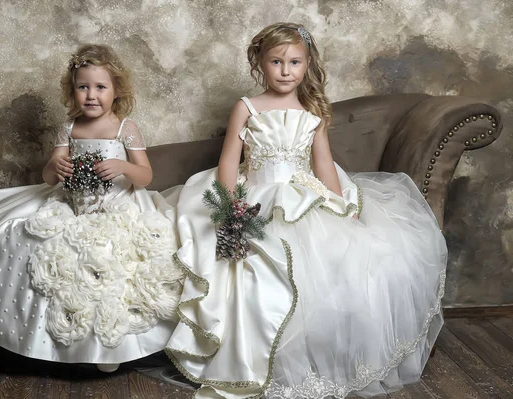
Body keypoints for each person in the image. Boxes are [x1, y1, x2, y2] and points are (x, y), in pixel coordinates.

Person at [165, 23, 447, 398]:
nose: (286, 71)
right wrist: (231, 209)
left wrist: (343, 203)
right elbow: (229, 163)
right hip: (258, 195)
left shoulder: (312, 110)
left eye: (294, 62)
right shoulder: (246, 107)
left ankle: (322, 356)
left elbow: (324, 163)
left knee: (346, 259)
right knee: (254, 269)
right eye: (277, 62)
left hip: (303, 195)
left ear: (307, 63)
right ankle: (254, 357)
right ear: (259, 64)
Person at [0, 44, 184, 373]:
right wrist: (57, 167)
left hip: (117, 203)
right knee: (18, 238)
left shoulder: (125, 128)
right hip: (71, 201)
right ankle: (4, 334)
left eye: (101, 87)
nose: (91, 95)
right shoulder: (69, 128)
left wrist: (121, 165)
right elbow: (49, 175)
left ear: (116, 90)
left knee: (110, 256)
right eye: (83, 87)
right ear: (72, 90)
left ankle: (111, 343)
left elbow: (146, 176)